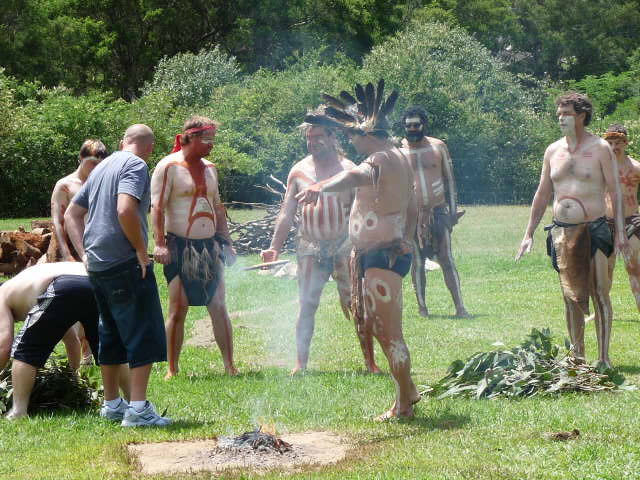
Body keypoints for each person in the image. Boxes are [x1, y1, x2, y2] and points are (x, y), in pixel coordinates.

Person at [297, 80, 420, 420]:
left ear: (368, 133)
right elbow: (411, 207)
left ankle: (403, 405)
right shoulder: (399, 157)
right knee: (381, 329)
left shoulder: (380, 159)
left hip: (383, 256)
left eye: (353, 136)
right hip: (378, 254)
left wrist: (320, 187)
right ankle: (408, 392)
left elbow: (352, 178)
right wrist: (406, 235)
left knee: (389, 332)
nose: (351, 142)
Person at [65, 124, 171, 426]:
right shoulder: (136, 165)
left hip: (97, 265)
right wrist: (140, 251)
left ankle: (112, 404)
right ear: (149, 147)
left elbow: (72, 213)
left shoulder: (100, 167)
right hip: (124, 263)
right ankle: (138, 410)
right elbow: (125, 210)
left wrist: (85, 254)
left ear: (122, 141)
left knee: (109, 333)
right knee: (143, 331)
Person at [260, 119, 380, 375]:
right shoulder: (299, 171)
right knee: (307, 304)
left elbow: (364, 209)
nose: (313, 142)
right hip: (310, 245)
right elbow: (286, 212)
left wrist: (367, 241)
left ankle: (370, 362)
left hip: (344, 245)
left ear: (332, 137)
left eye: (318, 137)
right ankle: (301, 363)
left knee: (356, 303)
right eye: (309, 138)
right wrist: (274, 247)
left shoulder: (348, 169)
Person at [516, 93, 626, 369]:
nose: (560, 118)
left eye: (565, 113)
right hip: (562, 232)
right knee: (570, 296)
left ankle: (603, 358)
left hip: (595, 228)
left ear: (581, 115)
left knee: (600, 292)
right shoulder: (553, 150)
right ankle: (577, 356)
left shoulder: (600, 148)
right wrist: (528, 233)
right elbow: (542, 193)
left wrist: (621, 232)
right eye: (558, 113)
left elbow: (615, 190)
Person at [150, 116, 238, 379]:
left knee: (219, 305)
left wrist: (227, 243)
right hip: (179, 246)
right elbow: (157, 208)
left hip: (209, 247)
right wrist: (160, 244)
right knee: (178, 308)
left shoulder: (211, 167)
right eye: (206, 139)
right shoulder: (168, 167)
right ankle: (172, 369)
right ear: (189, 137)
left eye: (213, 139)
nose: (211, 145)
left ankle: (229, 365)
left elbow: (218, 207)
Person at [0, 262, 128, 420]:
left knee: (25, 349)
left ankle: (18, 411)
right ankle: (135, 404)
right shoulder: (22, 285)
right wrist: (72, 378)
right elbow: (71, 341)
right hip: (97, 281)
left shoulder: (2, 294)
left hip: (63, 284)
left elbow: (3, 347)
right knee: (108, 350)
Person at [399, 106, 469, 318]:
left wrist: (453, 212)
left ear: (424, 125)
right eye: (408, 125)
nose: (412, 129)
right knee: (417, 263)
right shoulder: (399, 152)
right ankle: (422, 308)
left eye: (416, 125)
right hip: (412, 215)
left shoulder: (438, 147)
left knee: (446, 259)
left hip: (438, 212)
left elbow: (449, 180)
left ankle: (460, 307)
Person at [49, 139, 108, 365]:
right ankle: (72, 351)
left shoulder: (102, 183)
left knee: (94, 300)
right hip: (67, 250)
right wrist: (66, 254)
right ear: (80, 160)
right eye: (91, 162)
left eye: (99, 163)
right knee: (68, 301)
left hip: (94, 248)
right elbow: (58, 222)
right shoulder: (65, 185)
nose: (94, 167)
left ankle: (88, 353)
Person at [603, 124, 640, 311]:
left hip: (631, 223)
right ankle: (602, 312)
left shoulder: (636, 168)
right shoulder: (602, 168)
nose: (613, 147)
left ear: (625, 143)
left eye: (617, 143)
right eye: (609, 143)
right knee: (605, 271)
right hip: (606, 223)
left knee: (634, 268)